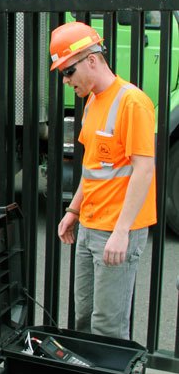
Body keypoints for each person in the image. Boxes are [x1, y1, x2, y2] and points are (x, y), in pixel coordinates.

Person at [51, 22, 156, 340]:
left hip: (117, 230)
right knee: (84, 320)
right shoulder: (93, 104)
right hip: (90, 228)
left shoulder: (132, 103)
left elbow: (144, 170)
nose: (67, 81)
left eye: (68, 72)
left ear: (92, 59)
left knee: (108, 327)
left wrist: (122, 232)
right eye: (63, 75)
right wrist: (73, 211)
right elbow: (92, 168)